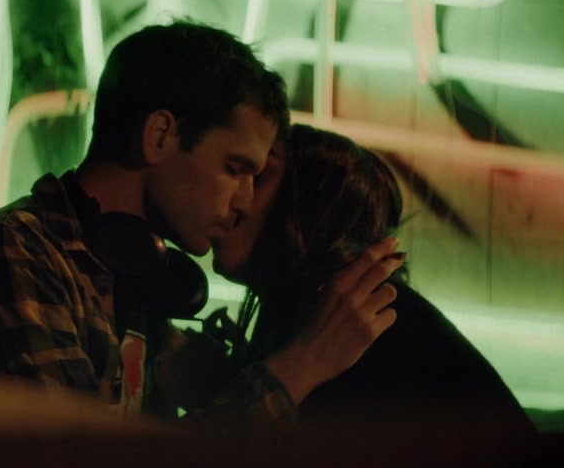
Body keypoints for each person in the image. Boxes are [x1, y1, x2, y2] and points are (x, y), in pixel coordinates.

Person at [0, 21, 401, 422]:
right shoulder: (14, 256)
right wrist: (300, 365)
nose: (245, 201)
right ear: (161, 136)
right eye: (235, 169)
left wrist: (221, 387)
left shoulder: (134, 283)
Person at [202, 124, 535, 441]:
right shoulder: (323, 321)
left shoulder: (365, 333)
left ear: (313, 202)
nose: (236, 195)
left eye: (258, 178)